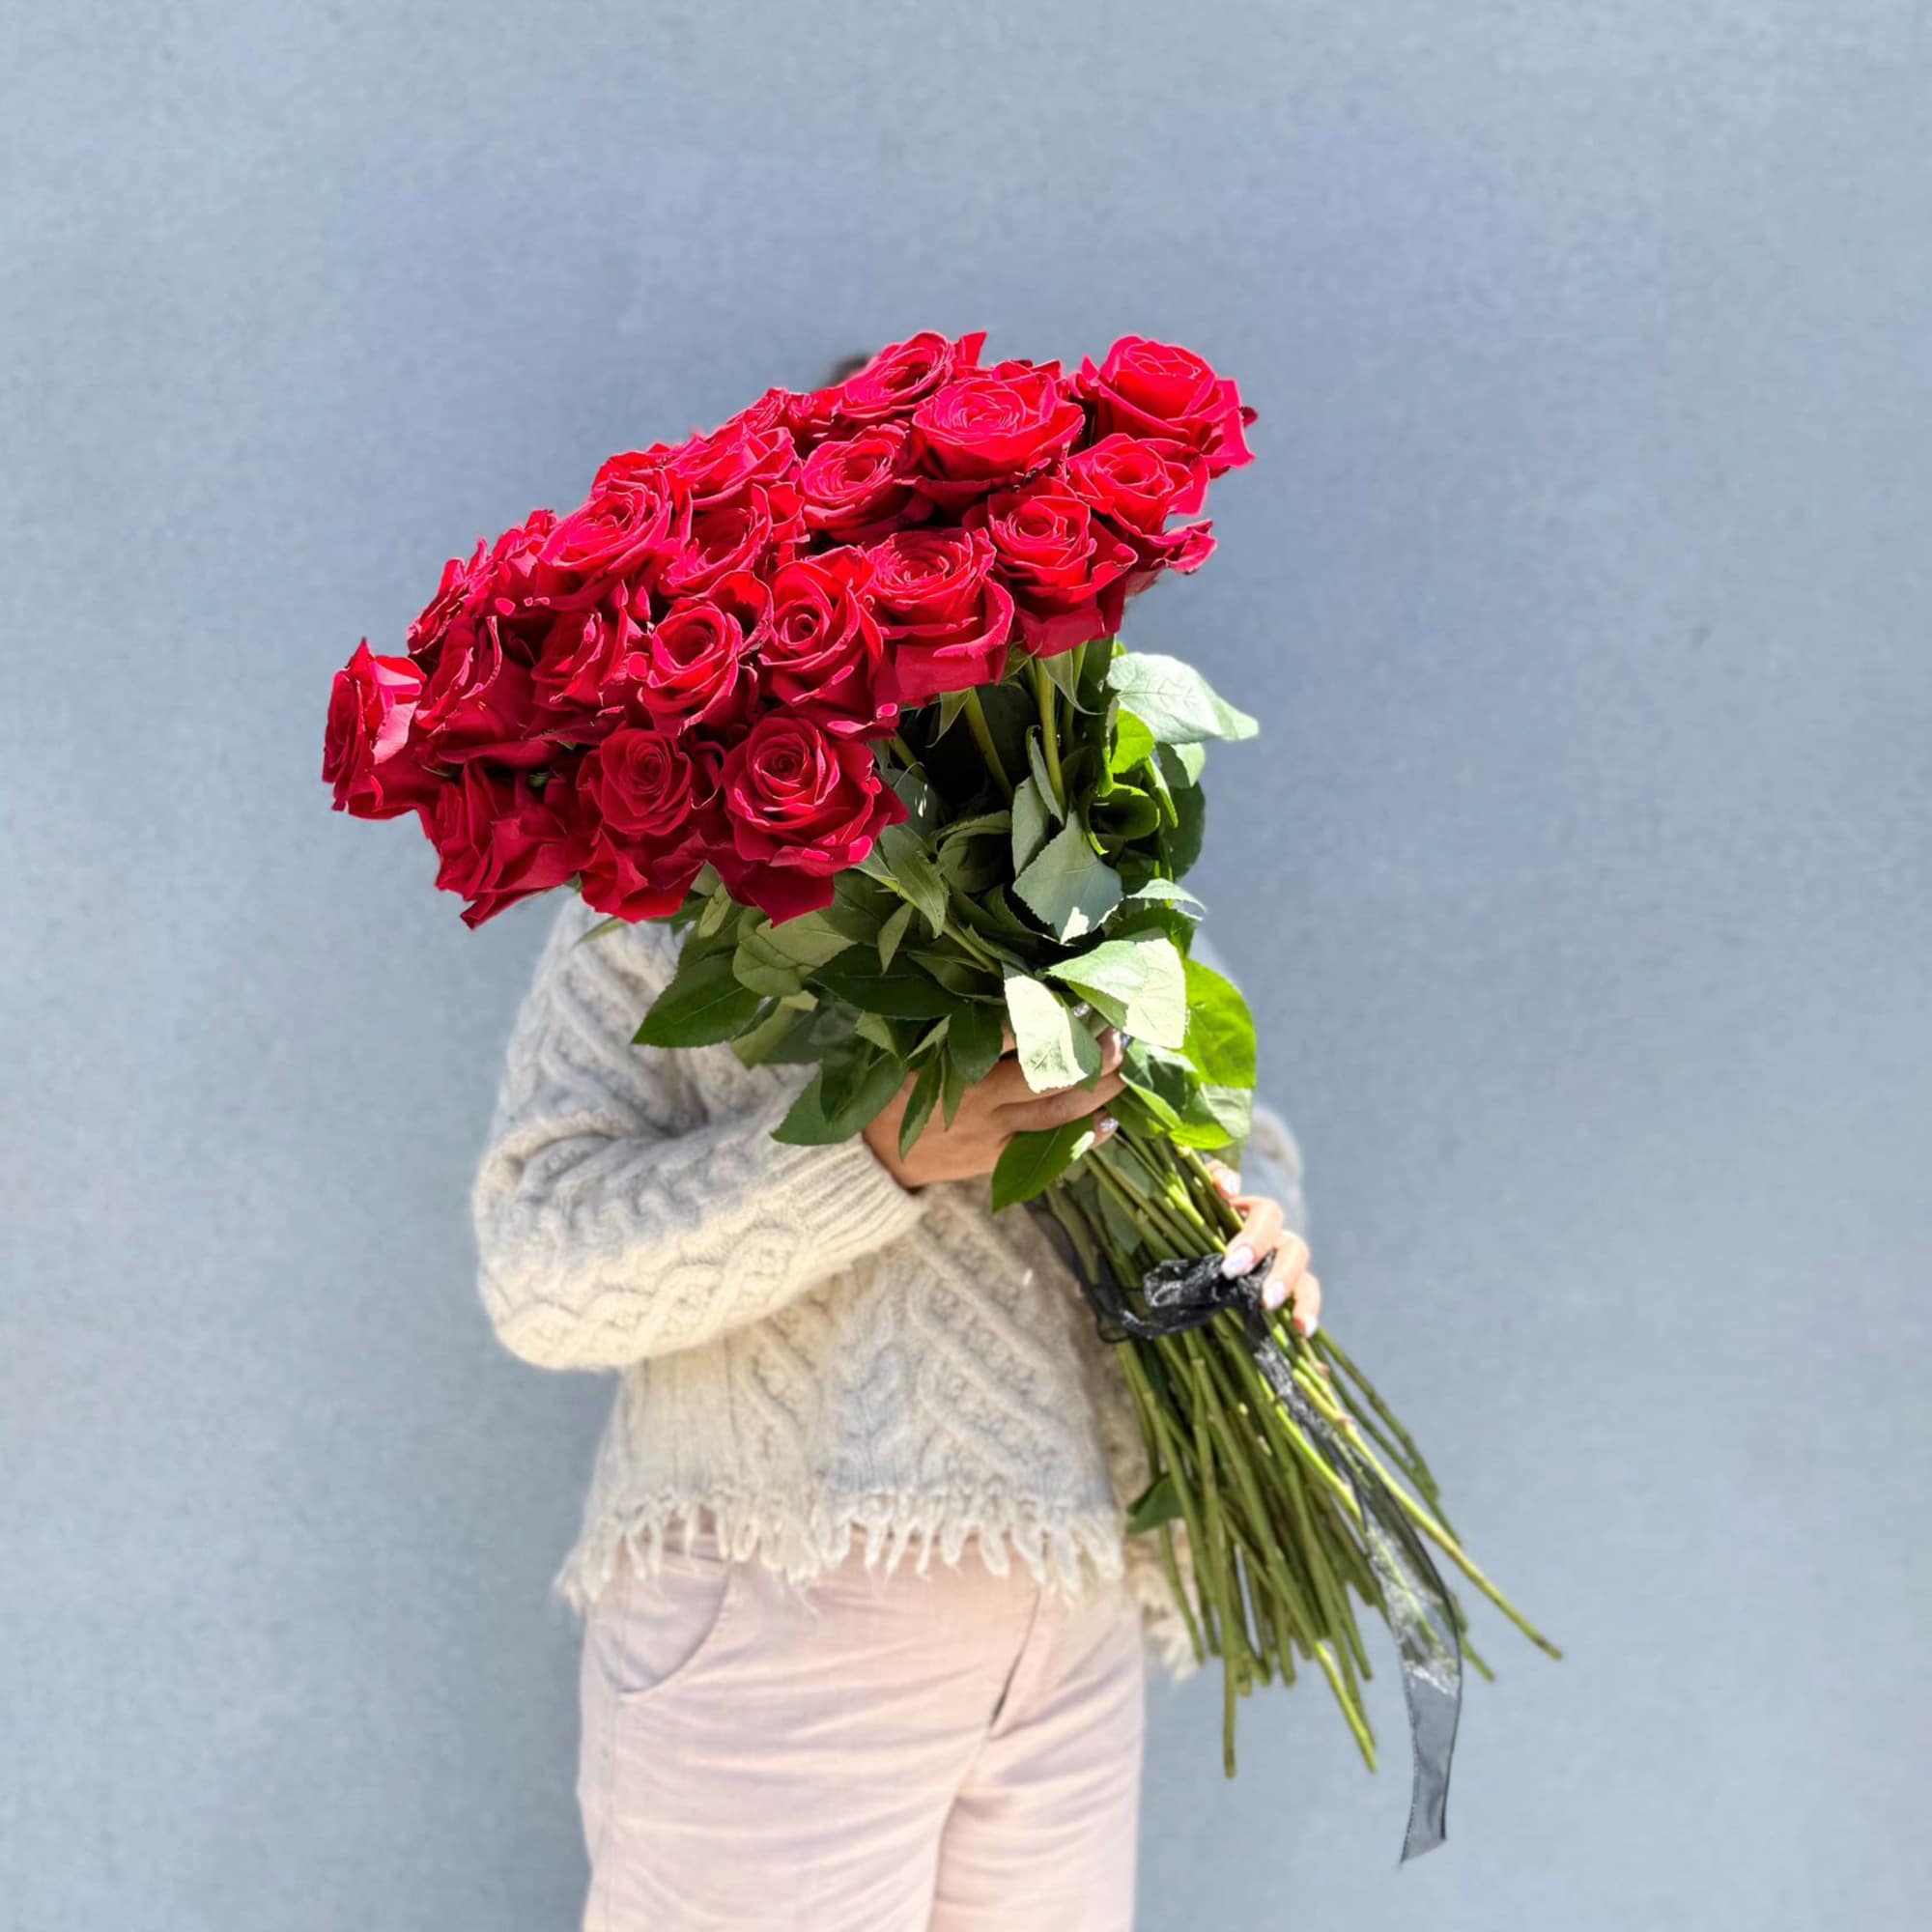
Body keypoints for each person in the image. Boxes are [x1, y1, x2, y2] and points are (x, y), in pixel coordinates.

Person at [469, 887, 1319, 1932]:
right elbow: (537, 1266)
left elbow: (1231, 1112)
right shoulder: (660, 879)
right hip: (776, 1597)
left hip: (1071, 1608)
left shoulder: (1071, 827)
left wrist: (1240, 1231)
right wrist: (865, 1149)